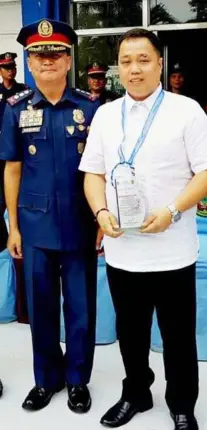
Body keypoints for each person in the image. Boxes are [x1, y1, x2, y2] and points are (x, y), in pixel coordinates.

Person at [79, 28, 207, 429]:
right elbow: (92, 172)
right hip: (123, 250)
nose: (134, 69)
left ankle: (181, 404)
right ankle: (137, 394)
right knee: (130, 332)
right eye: (126, 61)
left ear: (160, 64)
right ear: (118, 68)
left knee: (178, 335)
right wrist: (100, 211)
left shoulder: (186, 110)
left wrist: (173, 211)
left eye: (143, 60)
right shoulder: (106, 114)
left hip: (172, 249)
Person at [0, 19, 100, 413]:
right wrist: (13, 226)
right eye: (39, 55)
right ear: (28, 61)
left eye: (55, 53)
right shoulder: (15, 108)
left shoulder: (90, 107)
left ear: (68, 59)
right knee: (41, 310)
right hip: (35, 226)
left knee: (80, 307)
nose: (47, 61)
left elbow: (99, 169)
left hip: (79, 224)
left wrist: (101, 218)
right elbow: (12, 169)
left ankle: (77, 380)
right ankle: (47, 379)